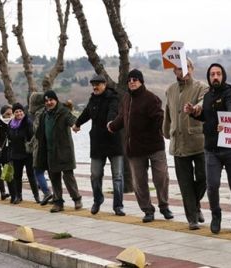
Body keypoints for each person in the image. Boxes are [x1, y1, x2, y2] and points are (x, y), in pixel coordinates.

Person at [108, 69, 173, 223]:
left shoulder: (151, 98)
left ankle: (164, 206)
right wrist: (112, 126)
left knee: (161, 178)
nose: (131, 82)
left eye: (135, 79)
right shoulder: (125, 99)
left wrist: (167, 131)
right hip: (135, 149)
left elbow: (159, 118)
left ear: (141, 81)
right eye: (129, 80)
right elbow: (122, 117)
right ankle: (148, 210)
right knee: (139, 183)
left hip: (154, 146)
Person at [185, 63, 231, 234]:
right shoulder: (207, 96)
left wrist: (226, 122)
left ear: (223, 76)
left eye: (218, 74)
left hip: (230, 149)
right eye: (212, 74)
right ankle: (216, 216)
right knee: (212, 186)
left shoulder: (230, 93)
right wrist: (193, 112)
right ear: (209, 77)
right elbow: (206, 116)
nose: (215, 77)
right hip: (211, 149)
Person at [163, 59, 207, 230]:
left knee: (204, 178)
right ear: (174, 71)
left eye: (185, 67)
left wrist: (196, 108)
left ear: (192, 68)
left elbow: (203, 103)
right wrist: (166, 131)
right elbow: (168, 113)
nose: (182, 71)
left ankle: (195, 204)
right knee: (185, 183)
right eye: (178, 68)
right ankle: (192, 218)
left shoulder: (201, 87)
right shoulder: (170, 90)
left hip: (198, 141)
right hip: (178, 143)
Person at [73, 74, 125, 216]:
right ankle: (98, 199)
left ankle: (118, 206)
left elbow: (113, 112)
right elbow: (86, 113)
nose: (95, 87)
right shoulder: (92, 99)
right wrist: (77, 123)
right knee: (95, 175)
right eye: (93, 85)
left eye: (98, 84)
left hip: (113, 142)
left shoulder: (113, 98)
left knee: (118, 176)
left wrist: (109, 122)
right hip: (97, 143)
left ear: (105, 84)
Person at [36, 90, 82, 213]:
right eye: (46, 101)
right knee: (54, 178)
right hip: (50, 151)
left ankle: (77, 199)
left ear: (56, 100)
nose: (49, 102)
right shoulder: (44, 115)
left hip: (64, 150)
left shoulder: (63, 112)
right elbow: (39, 133)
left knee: (68, 177)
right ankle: (58, 203)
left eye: (51, 100)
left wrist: (75, 125)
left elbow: (72, 119)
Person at [8, 103, 40, 204]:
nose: (19, 113)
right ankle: (19, 196)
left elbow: (33, 137)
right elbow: (9, 139)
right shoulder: (10, 124)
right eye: (16, 111)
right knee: (17, 176)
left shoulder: (28, 122)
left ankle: (36, 196)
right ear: (14, 113)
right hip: (16, 154)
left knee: (31, 175)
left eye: (20, 111)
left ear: (23, 112)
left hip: (27, 154)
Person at [28, 93, 53, 205]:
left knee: (37, 171)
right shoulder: (48, 111)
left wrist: (32, 144)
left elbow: (37, 131)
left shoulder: (39, 114)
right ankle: (57, 195)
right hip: (50, 146)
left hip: (41, 147)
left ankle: (46, 192)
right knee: (52, 171)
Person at [0, 104, 14, 201]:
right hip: (4, 152)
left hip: (15, 150)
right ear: (3, 114)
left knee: (16, 174)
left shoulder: (15, 122)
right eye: (8, 114)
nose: (10, 116)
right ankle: (13, 194)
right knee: (8, 174)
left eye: (11, 113)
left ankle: (17, 194)